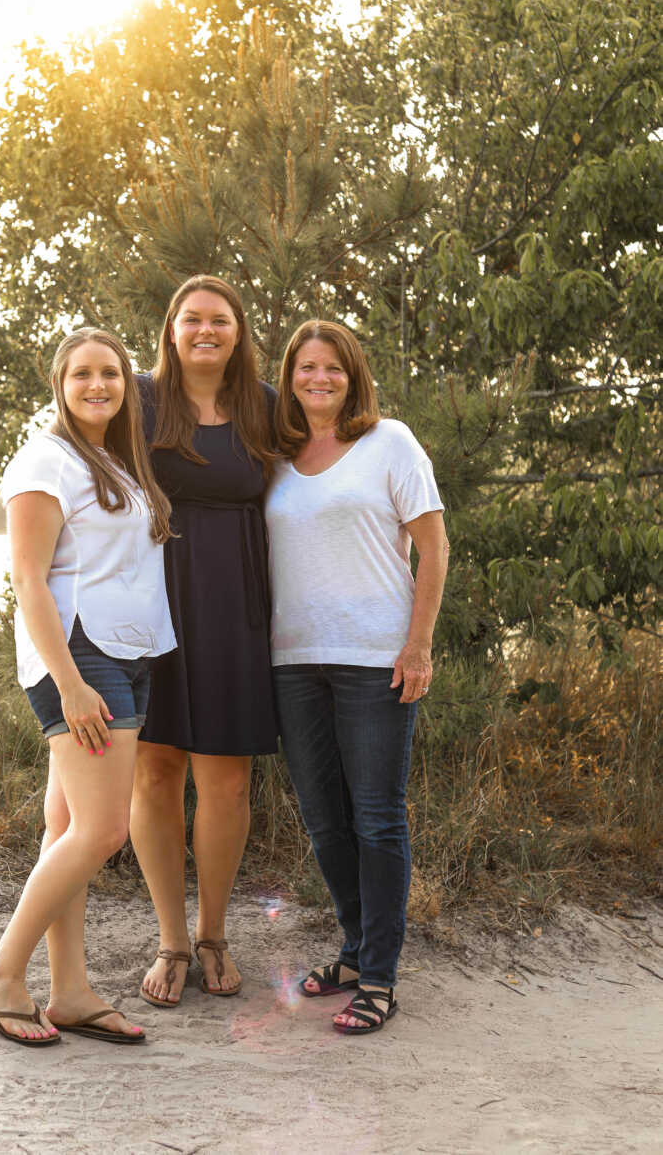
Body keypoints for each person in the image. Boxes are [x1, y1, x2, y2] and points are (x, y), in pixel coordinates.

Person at [0, 327, 176, 1047]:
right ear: (59, 382)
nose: (98, 385)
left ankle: (72, 992)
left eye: (111, 374)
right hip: (84, 659)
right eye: (83, 373)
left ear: (127, 384)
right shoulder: (44, 461)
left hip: (129, 652)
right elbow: (28, 579)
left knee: (65, 830)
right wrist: (71, 684)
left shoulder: (117, 461)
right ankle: (1, 973)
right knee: (101, 831)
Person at [265, 319, 448, 1034]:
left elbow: (432, 548)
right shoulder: (275, 457)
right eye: (306, 367)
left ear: (353, 375)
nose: (318, 379)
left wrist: (419, 644)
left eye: (332, 367)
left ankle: (378, 977)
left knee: (376, 817)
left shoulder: (390, 443)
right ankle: (353, 946)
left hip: (376, 658)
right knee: (323, 819)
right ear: (289, 378)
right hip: (294, 662)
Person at [131, 275, 279, 1006]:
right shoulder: (137, 396)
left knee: (226, 777)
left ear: (239, 332)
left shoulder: (265, 408)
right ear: (171, 327)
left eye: (220, 320)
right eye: (192, 319)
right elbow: (67, 445)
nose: (206, 330)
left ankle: (214, 932)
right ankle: (171, 940)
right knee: (154, 770)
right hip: (148, 600)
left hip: (235, 604)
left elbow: (333, 462)